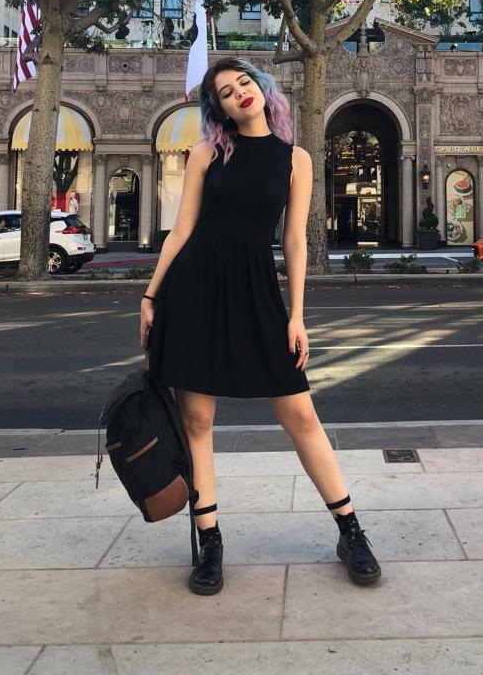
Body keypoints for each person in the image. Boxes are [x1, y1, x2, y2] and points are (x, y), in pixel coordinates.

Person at [140, 57, 381, 596]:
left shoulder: (296, 159)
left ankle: (350, 531)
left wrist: (297, 315)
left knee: (301, 413)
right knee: (197, 420)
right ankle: (210, 541)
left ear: (263, 88)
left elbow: (295, 241)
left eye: (244, 83)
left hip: (257, 291)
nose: (239, 94)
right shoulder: (206, 154)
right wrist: (151, 295)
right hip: (194, 289)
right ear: (219, 109)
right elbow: (181, 231)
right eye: (226, 92)